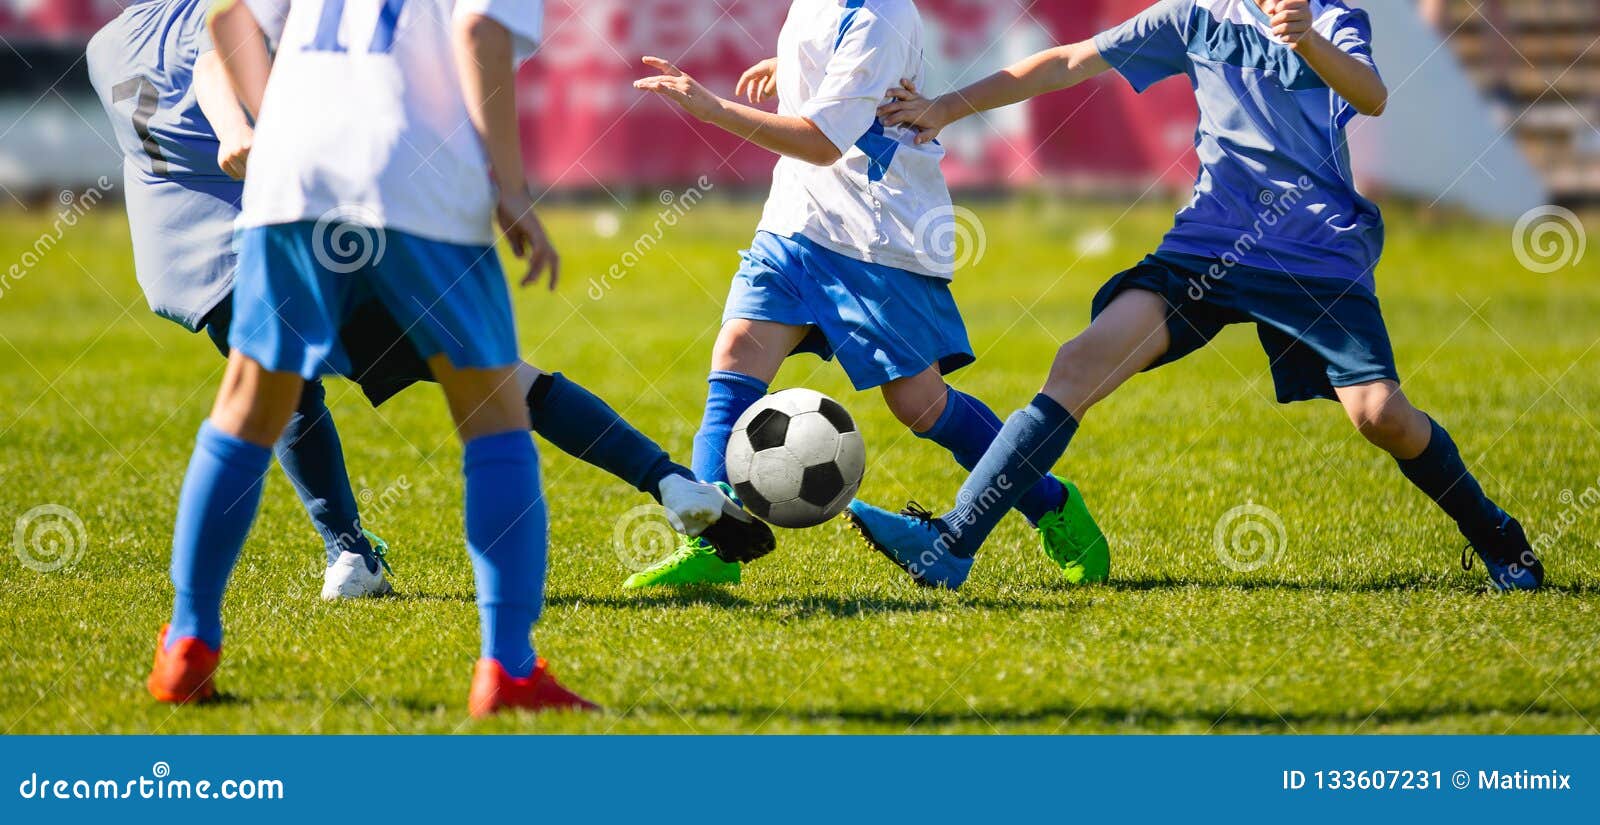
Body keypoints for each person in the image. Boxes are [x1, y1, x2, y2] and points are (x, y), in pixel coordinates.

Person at [89, 1, 772, 608]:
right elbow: (214, 55)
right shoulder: (195, 18)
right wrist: (240, 126)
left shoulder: (105, 45)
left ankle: (329, 562)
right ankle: (664, 485)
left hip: (190, 267)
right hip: (305, 229)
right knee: (497, 389)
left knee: (280, 401)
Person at [846, 0, 1545, 592]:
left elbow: (1371, 94)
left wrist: (1307, 38)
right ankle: (952, 544)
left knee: (1382, 416)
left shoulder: (1330, 16)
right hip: (1210, 247)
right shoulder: (1194, 15)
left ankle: (1495, 533)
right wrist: (945, 106)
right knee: (1078, 363)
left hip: (1315, 255)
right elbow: (1066, 62)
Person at [146, 0, 622, 716]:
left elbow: (226, 18)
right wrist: (513, 187)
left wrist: (290, 127)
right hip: (417, 171)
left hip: (294, 173)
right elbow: (479, 28)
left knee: (248, 403)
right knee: (494, 415)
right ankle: (507, 666)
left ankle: (188, 643)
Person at [629, 0, 1108, 591]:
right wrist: (796, 68)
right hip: (794, 224)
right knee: (735, 355)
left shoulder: (881, 16)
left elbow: (823, 143)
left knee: (920, 405)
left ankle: (1050, 502)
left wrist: (713, 109)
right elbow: (833, 82)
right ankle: (713, 541)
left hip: (874, 234)